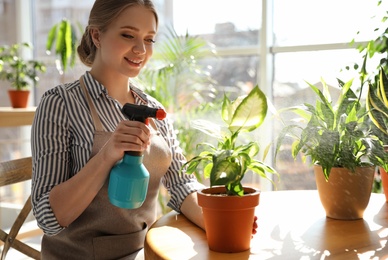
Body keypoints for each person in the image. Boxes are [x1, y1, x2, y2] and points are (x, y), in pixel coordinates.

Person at [31, 0, 256, 259]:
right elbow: (47, 218)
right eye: (128, 35)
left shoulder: (153, 109)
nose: (140, 49)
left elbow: (181, 183)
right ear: (97, 35)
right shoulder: (60, 103)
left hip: (147, 250)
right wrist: (107, 155)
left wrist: (221, 221)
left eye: (149, 39)